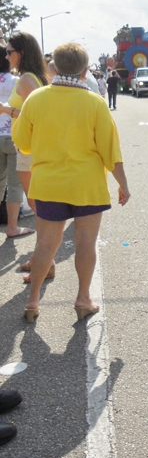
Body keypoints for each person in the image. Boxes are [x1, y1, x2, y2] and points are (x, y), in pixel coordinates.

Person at [12, 43, 131, 323]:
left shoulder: (37, 98)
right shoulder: (95, 103)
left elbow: (23, 143)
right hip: (86, 185)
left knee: (45, 244)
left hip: (48, 184)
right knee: (86, 244)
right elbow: (110, 151)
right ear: (84, 71)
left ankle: (32, 302)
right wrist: (123, 184)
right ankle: (82, 299)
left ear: (54, 66)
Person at [0, 32, 48, 214]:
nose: (6, 56)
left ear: (21, 52)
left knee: (36, 202)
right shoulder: (32, 77)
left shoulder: (27, 79)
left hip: (28, 146)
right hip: (27, 145)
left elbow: (35, 117)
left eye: (9, 52)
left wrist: (6, 110)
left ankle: (46, 242)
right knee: (37, 201)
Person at [0, 46, 30, 238]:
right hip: (12, 135)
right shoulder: (17, 81)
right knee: (14, 183)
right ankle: (12, 227)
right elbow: (26, 111)